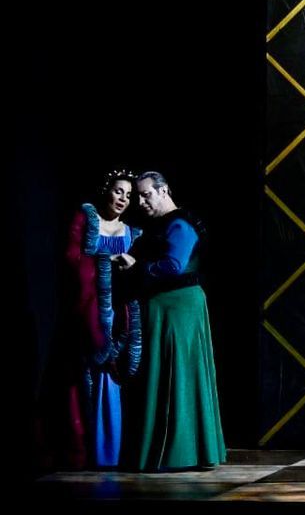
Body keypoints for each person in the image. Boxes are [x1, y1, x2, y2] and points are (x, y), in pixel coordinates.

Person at [116, 171, 226, 470]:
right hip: (166, 307)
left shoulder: (180, 223)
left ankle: (180, 452)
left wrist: (137, 266)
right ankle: (170, 451)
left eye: (146, 195)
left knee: (179, 375)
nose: (141, 202)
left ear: (163, 191)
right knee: (166, 374)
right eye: (139, 197)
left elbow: (174, 265)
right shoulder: (160, 225)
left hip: (179, 308)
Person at [39, 170, 144, 469]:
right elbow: (72, 259)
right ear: (106, 190)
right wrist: (105, 261)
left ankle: (110, 452)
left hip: (119, 316)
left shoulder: (132, 233)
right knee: (78, 380)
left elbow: (139, 275)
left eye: (129, 195)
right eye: (118, 191)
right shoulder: (86, 220)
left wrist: (132, 265)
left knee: (112, 379)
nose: (123, 198)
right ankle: (79, 450)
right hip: (86, 314)